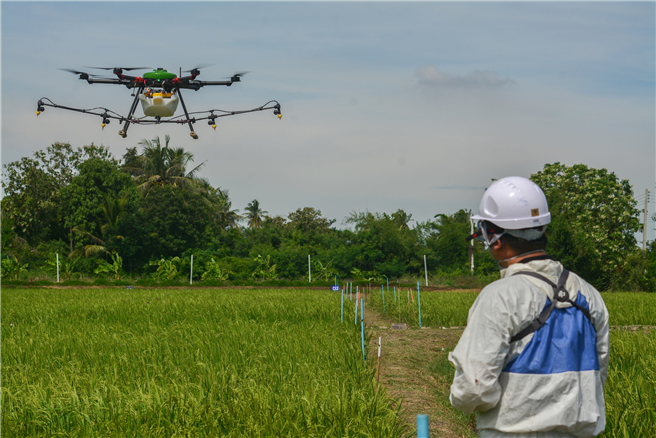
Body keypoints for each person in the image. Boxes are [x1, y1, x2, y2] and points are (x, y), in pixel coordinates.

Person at [449, 176, 610, 438]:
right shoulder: (590, 295)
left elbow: (473, 389)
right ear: (542, 230)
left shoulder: (499, 297)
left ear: (495, 239)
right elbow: (596, 377)